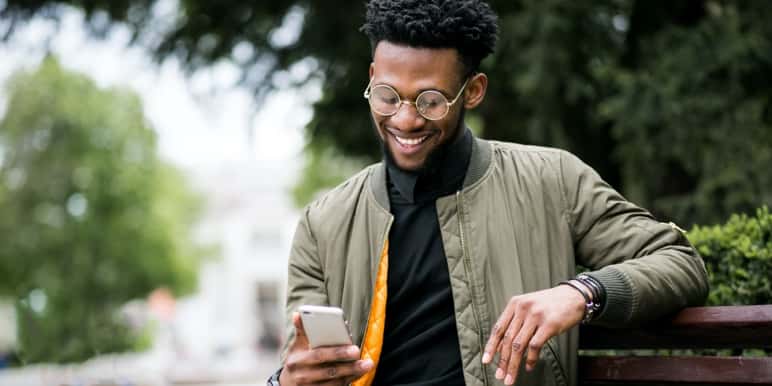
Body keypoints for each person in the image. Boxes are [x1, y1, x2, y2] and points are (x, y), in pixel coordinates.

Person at [267, 1, 709, 385]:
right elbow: (300, 360)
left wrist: (581, 292)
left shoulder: (552, 179)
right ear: (371, 77)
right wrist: (289, 379)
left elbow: (681, 265)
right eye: (386, 96)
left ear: (473, 91)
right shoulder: (323, 223)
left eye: (430, 101)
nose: (404, 120)